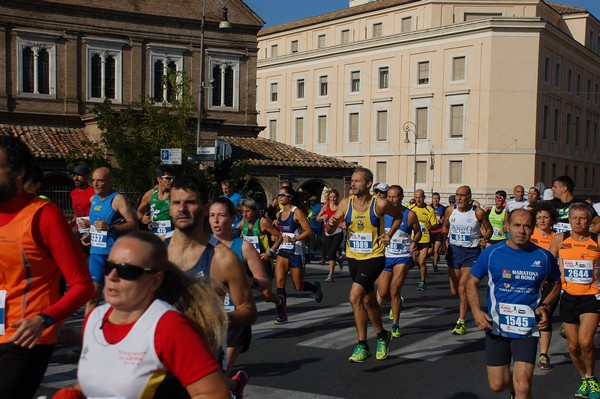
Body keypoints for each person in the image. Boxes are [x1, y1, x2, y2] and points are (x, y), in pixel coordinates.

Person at [53, 231, 230, 399]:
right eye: (109, 267)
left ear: (155, 280)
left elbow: (214, 393)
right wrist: (74, 393)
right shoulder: (95, 318)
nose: (113, 276)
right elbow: (101, 383)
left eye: (127, 271)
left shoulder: (168, 325)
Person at [0, 136, 93, 399]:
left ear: (18, 172)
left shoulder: (43, 215)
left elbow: (82, 285)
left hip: (25, 335)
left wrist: (45, 319)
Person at [166, 175, 256, 398]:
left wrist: (216, 319)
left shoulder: (222, 258)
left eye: (190, 202)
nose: (182, 209)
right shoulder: (155, 251)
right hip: (160, 358)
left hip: (203, 361)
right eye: (176, 203)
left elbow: (248, 310)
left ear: (204, 208)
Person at [467, 209, 561, 399]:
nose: (522, 230)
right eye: (517, 225)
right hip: (497, 328)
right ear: (507, 227)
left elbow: (556, 283)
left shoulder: (543, 256)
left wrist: (545, 305)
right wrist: (476, 311)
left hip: (527, 329)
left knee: (524, 387)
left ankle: (519, 392)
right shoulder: (492, 253)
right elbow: (471, 282)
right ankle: (513, 391)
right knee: (497, 385)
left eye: (527, 226)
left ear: (533, 228)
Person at [326, 167, 403, 362]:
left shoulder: (380, 204)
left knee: (354, 297)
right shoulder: (345, 203)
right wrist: (332, 223)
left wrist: (389, 234)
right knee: (369, 301)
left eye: (357, 181)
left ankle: (362, 344)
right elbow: (330, 228)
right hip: (354, 258)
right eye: (351, 180)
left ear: (368, 184)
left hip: (374, 257)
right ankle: (381, 334)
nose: (352, 184)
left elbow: (399, 216)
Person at [209, 198, 274, 388]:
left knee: (215, 378)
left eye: (221, 216)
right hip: (207, 319)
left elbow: (264, 282)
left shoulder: (243, 246)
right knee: (205, 379)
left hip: (236, 318)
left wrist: (249, 282)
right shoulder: (201, 247)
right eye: (212, 216)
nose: (216, 221)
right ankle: (234, 385)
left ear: (232, 218)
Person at [549, 203, 600, 399]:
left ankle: (591, 375)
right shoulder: (560, 240)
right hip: (568, 297)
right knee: (573, 346)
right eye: (574, 218)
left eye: (582, 218)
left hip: (591, 297)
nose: (578, 222)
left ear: (589, 221)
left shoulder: (596, 240)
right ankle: (585, 379)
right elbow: (549, 265)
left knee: (586, 342)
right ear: (569, 220)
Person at [84, 167, 138, 315]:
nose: (95, 184)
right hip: (95, 255)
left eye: (100, 181)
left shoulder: (117, 199)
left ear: (109, 182)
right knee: (91, 298)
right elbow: (97, 225)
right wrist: (90, 234)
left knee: (114, 301)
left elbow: (133, 224)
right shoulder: (93, 199)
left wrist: (111, 228)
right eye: (93, 180)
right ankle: (87, 335)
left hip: (113, 257)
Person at [441, 185, 493, 335]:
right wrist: (444, 243)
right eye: (457, 195)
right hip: (454, 251)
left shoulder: (478, 213)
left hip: (471, 252)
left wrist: (485, 238)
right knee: (454, 291)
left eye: (462, 195)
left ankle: (461, 321)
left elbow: (488, 229)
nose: (459, 198)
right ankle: (465, 304)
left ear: (469, 197)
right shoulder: (451, 210)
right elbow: (445, 227)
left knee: (463, 287)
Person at [274, 185, 322, 324]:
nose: (280, 197)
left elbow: (308, 231)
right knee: (280, 281)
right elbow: (280, 233)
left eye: (282, 195)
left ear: (290, 197)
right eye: (278, 195)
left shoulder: (297, 212)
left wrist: (294, 238)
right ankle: (281, 313)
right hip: (283, 250)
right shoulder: (279, 214)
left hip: (296, 250)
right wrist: (276, 237)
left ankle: (314, 288)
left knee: (298, 286)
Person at [376, 185, 421, 338]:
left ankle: (395, 324)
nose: (392, 200)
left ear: (401, 197)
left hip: (403, 256)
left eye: (395, 197)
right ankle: (396, 303)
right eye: (390, 197)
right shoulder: (382, 213)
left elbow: (418, 232)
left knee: (394, 290)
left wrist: (414, 241)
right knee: (382, 291)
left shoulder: (410, 214)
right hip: (386, 256)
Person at [238, 198, 284, 312]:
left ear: (254, 210)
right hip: (247, 262)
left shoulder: (262, 222)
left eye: (247, 211)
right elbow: (236, 235)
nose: (245, 214)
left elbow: (279, 237)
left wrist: (270, 252)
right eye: (243, 211)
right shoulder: (243, 222)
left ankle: (279, 301)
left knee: (267, 296)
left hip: (263, 262)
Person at [529, 201, 559, 370]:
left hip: (549, 284)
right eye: (539, 217)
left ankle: (544, 354)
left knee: (544, 317)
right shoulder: (529, 235)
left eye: (545, 217)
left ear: (552, 220)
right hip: (530, 282)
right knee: (529, 317)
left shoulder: (558, 238)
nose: (542, 220)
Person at [409, 189, 438, 291]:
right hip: (414, 240)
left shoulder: (429, 210)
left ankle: (422, 281)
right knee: (414, 260)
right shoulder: (410, 208)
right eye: (416, 197)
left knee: (422, 261)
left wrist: (431, 226)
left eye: (420, 197)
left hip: (425, 239)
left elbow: (435, 223)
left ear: (424, 197)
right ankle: (421, 268)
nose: (418, 199)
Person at [136, 164, 175, 237]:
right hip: (155, 236)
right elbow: (139, 212)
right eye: (168, 178)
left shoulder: (175, 194)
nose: (172, 181)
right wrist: (143, 219)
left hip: (172, 236)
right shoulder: (150, 194)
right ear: (159, 179)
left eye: (173, 178)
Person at [316, 189, 344, 282]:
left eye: (334, 197)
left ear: (337, 197)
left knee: (332, 252)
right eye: (331, 197)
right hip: (327, 231)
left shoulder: (341, 207)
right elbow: (317, 218)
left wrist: (340, 223)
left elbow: (344, 219)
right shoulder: (325, 206)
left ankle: (330, 274)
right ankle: (338, 259)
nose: (333, 199)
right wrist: (322, 217)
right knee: (330, 253)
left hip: (338, 231)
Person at [69, 164, 95, 247]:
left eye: (79, 175)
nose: (76, 178)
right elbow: (76, 212)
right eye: (74, 175)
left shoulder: (93, 192)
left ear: (87, 176)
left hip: (91, 228)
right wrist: (71, 222)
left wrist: (91, 226)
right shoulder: (73, 193)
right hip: (78, 227)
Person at [428, 192, 446, 272]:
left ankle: (435, 265)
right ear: (432, 199)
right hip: (431, 231)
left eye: (437, 199)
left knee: (436, 249)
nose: (436, 200)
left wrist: (442, 220)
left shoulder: (442, 208)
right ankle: (433, 259)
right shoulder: (428, 207)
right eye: (434, 198)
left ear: (439, 199)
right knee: (430, 250)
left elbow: (445, 218)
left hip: (439, 230)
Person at [307, 195, 323, 261]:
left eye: (312, 201)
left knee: (318, 239)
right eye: (310, 201)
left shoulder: (319, 206)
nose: (311, 202)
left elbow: (322, 214)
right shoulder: (309, 207)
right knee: (311, 239)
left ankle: (318, 250)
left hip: (318, 225)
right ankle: (312, 251)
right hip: (311, 225)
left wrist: (317, 217)